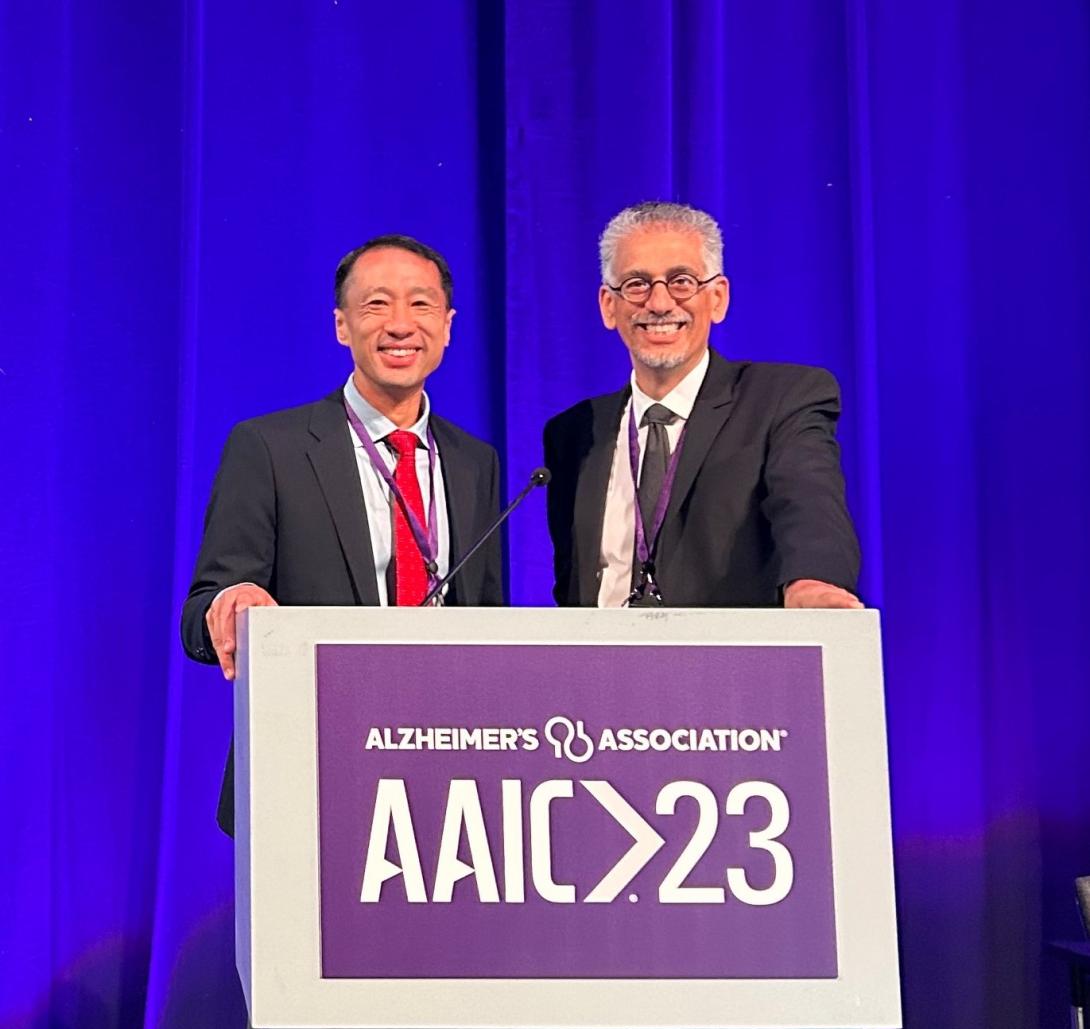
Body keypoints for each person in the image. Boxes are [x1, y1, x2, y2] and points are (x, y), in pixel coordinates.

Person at [181, 234, 504, 835]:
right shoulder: (270, 449)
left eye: (421, 305)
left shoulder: (474, 462)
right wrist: (231, 607)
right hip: (313, 759)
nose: (401, 325)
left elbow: (486, 616)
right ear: (341, 326)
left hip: (449, 772)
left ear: (449, 325)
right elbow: (205, 609)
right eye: (377, 305)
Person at [543, 201, 862, 610]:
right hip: (605, 669)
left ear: (717, 298)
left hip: (726, 668)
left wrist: (814, 583)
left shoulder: (782, 399)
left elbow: (808, 504)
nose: (658, 303)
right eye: (637, 284)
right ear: (609, 305)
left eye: (681, 281)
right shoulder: (573, 432)